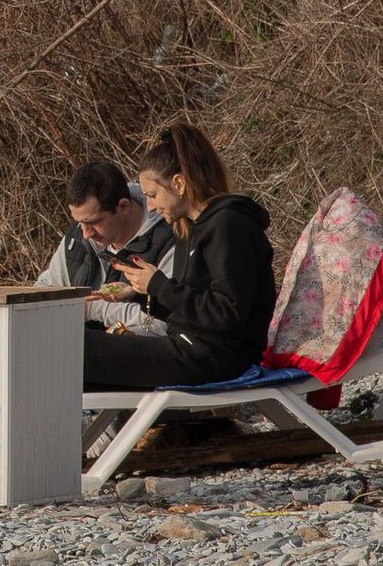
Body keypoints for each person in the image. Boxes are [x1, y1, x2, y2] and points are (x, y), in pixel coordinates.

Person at [86, 125, 276, 391]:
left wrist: (159, 285)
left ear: (178, 183)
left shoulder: (228, 225)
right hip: (191, 347)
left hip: (216, 357)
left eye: (152, 195)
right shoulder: (190, 227)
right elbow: (194, 309)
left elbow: (229, 313)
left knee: (75, 348)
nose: (150, 206)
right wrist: (140, 292)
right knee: (71, 350)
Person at [37, 159, 176, 334]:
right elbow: (45, 290)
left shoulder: (169, 241)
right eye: (79, 222)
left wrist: (92, 309)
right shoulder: (78, 236)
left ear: (123, 206)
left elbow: (163, 323)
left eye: (93, 222)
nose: (86, 233)